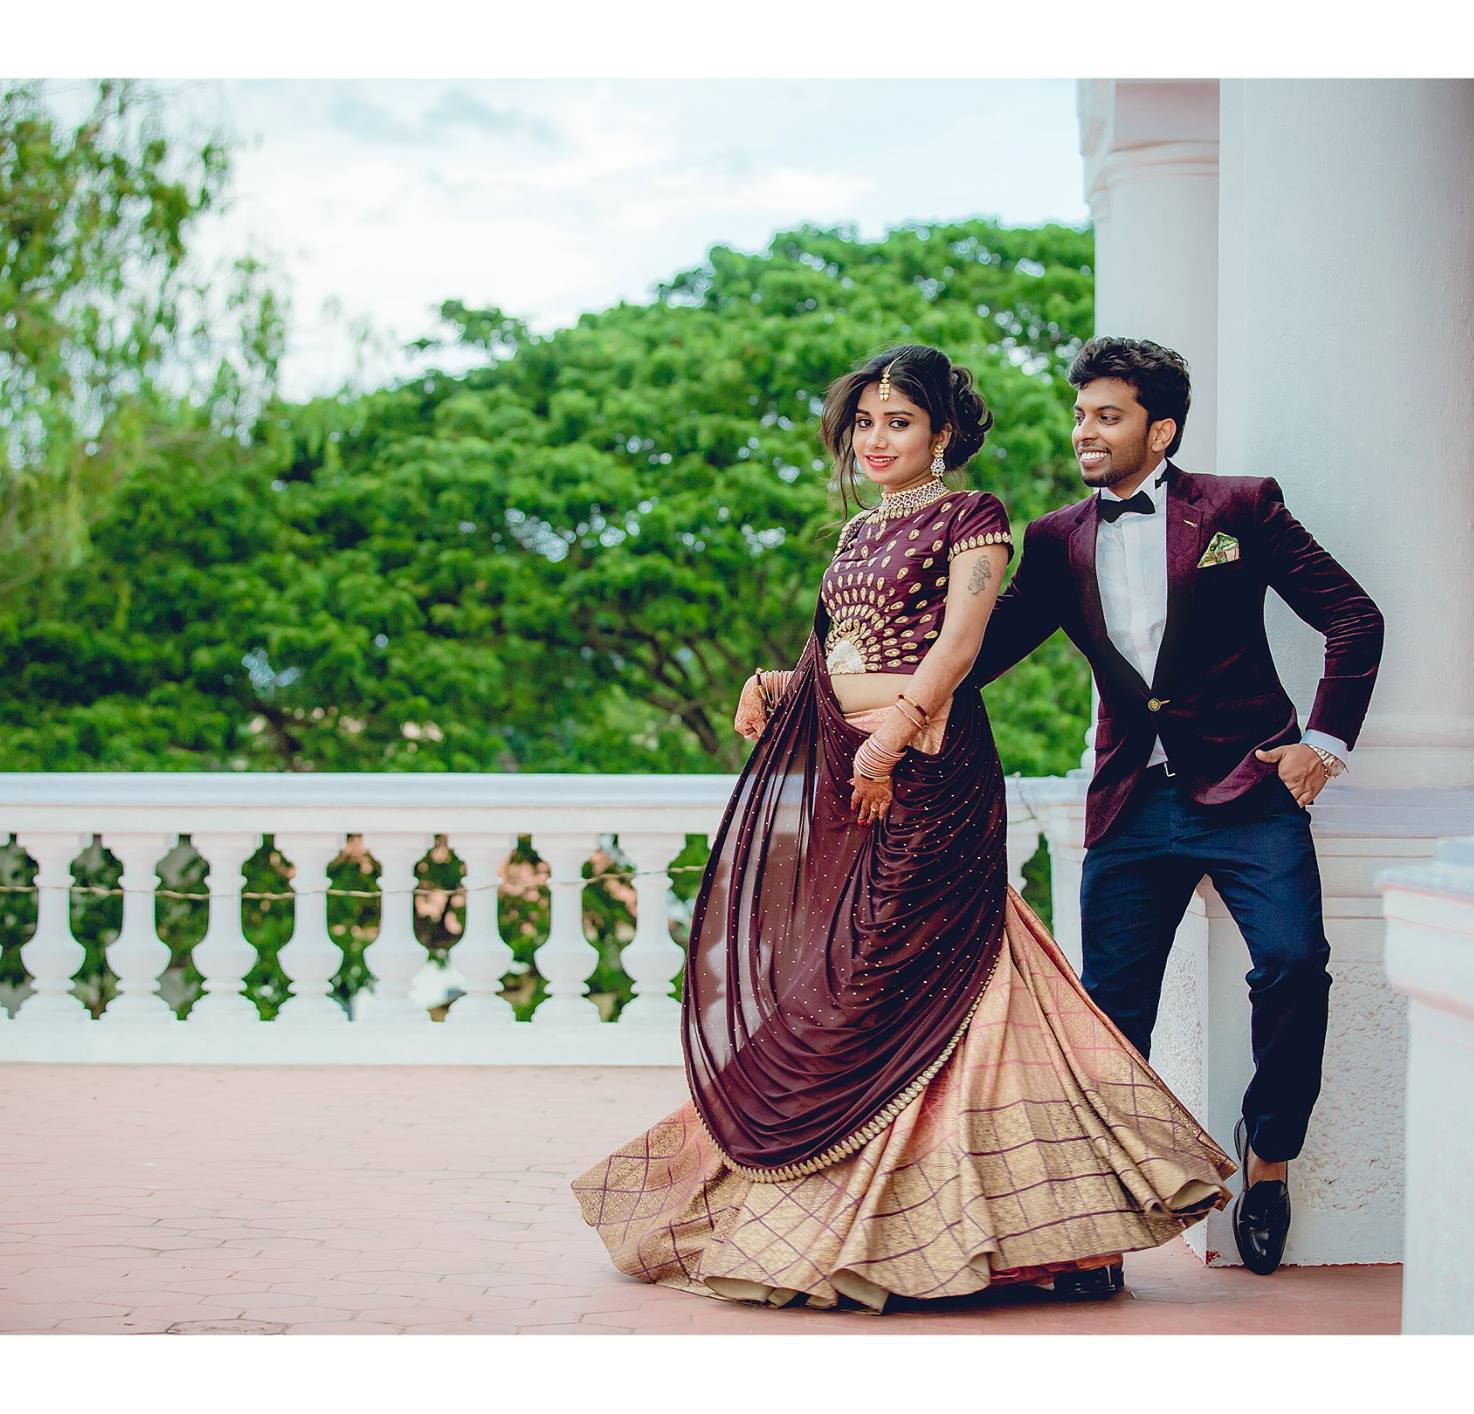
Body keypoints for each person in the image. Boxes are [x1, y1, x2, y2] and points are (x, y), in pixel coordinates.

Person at [571, 344, 1235, 1312]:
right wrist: (777, 687)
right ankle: (909, 1218)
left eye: (899, 423)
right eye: (864, 423)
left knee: (895, 967)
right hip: (855, 769)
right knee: (845, 972)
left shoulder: (974, 518)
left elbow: (957, 648)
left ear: (943, 435)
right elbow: (837, 655)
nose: (875, 440)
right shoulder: (850, 540)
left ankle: (981, 1229)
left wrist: (888, 736)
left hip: (927, 771)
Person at [968, 335, 1384, 1277]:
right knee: (1112, 1017)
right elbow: (977, 658)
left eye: (1107, 415)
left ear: (1160, 429)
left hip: (1252, 791)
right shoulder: (1055, 537)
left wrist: (1323, 744)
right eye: (1080, 414)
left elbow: (1354, 616)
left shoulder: (1241, 507)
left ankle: (1268, 1154)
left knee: (1293, 965)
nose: (1086, 430)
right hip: (1131, 802)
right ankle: (1106, 1221)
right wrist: (841, 688)